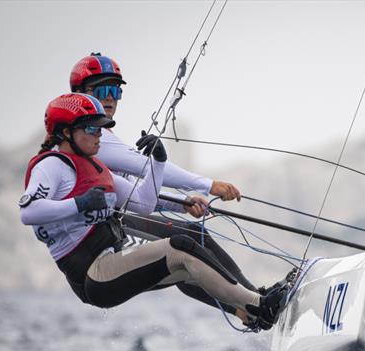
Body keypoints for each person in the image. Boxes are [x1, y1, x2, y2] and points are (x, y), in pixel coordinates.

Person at [19, 93, 285, 330]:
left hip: (112, 256)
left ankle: (251, 310)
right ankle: (260, 304)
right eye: (92, 129)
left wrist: (159, 161)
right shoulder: (52, 165)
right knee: (180, 247)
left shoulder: (94, 168)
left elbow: (143, 203)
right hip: (93, 274)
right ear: (66, 133)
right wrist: (80, 203)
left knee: (191, 253)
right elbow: (29, 212)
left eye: (102, 130)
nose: (100, 136)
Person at [68, 52, 257, 315]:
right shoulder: (90, 141)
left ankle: (246, 306)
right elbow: (146, 169)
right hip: (98, 248)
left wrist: (181, 204)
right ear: (79, 94)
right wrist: (208, 184)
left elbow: (133, 192)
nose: (110, 97)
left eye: (115, 90)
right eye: (102, 89)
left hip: (110, 228)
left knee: (189, 247)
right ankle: (253, 301)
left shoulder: (99, 138)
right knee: (187, 243)